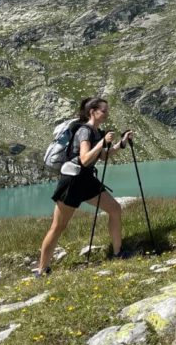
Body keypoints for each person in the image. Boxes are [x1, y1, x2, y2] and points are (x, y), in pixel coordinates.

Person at [35, 97, 134, 275]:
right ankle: (41, 270)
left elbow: (103, 156)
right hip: (73, 181)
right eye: (103, 110)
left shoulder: (96, 132)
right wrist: (102, 142)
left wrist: (122, 143)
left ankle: (118, 253)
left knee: (115, 209)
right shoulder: (84, 131)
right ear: (92, 111)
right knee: (58, 226)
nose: (107, 113)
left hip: (86, 180)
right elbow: (85, 159)